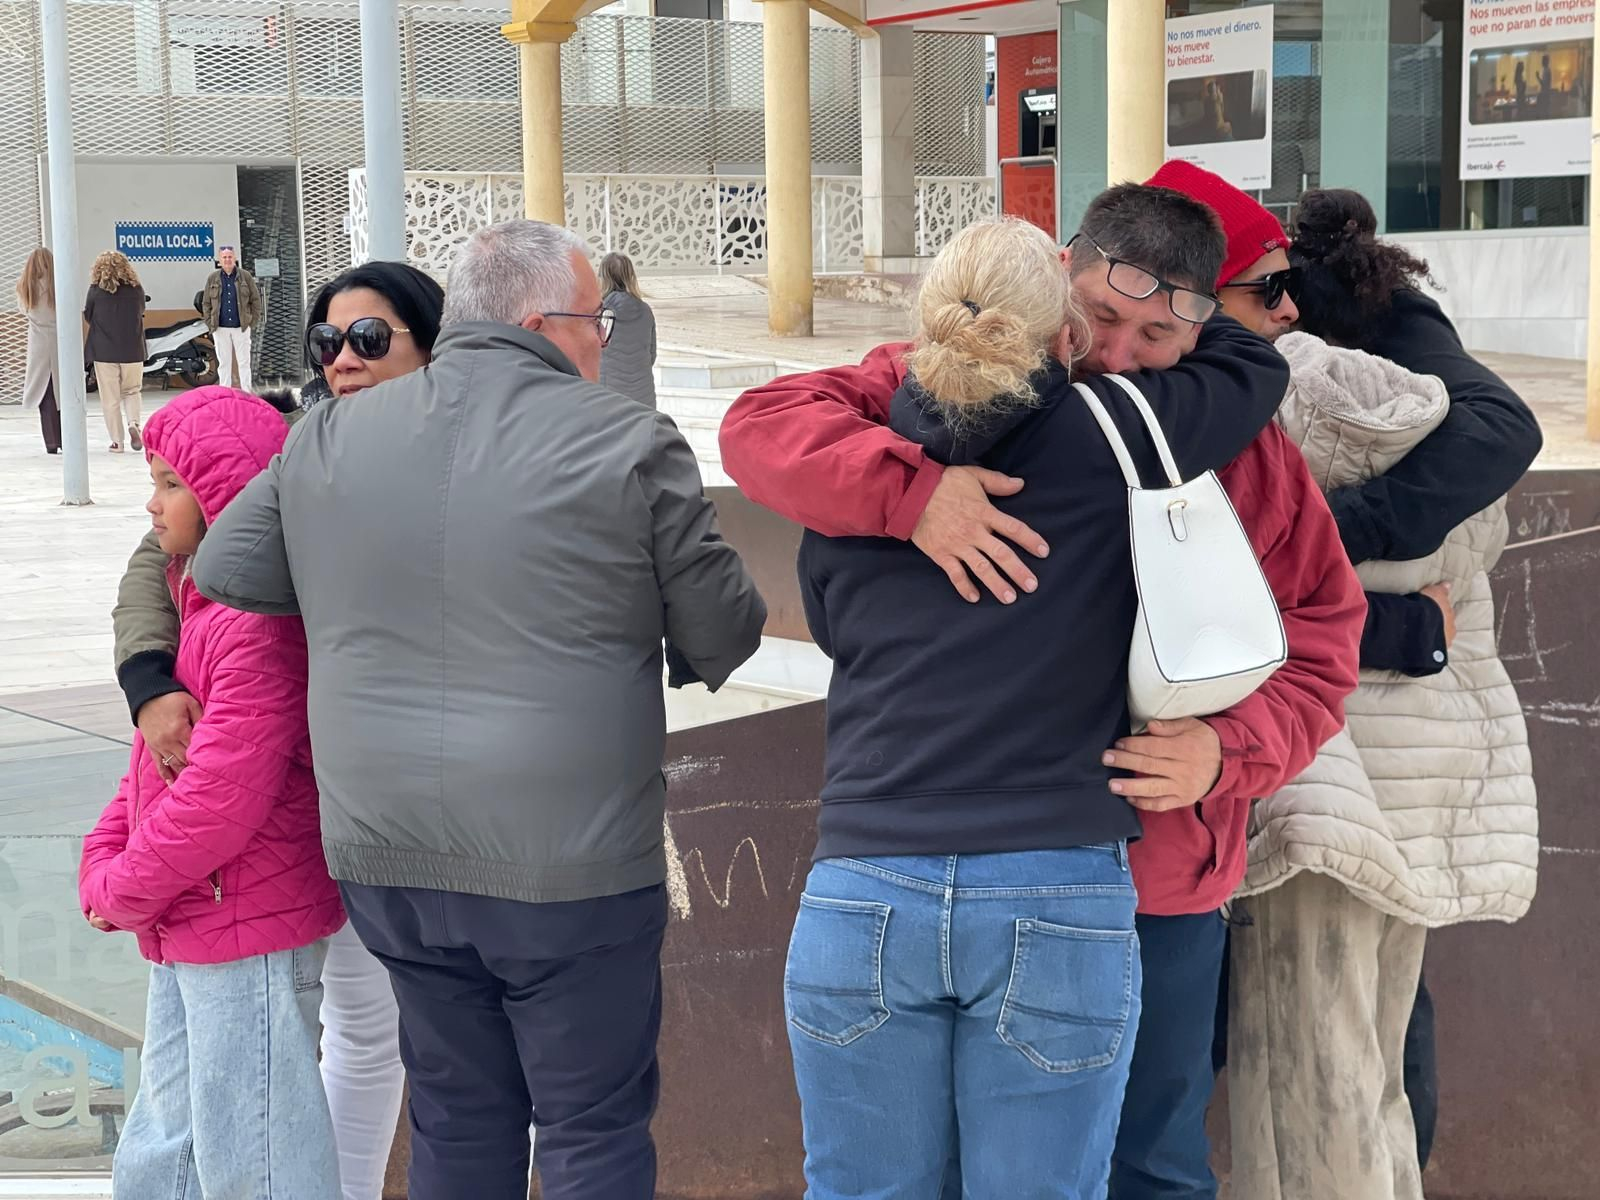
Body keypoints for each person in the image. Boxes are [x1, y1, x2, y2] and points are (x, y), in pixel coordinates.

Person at [720, 182, 1365, 1200]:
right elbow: (763, 425)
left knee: (1150, 1162)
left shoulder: (1241, 447)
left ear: (1200, 321)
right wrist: (913, 494)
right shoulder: (917, 394)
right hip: (1054, 875)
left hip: (1155, 869)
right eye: (1103, 319)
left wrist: (1223, 753)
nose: (1118, 352)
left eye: (1157, 332)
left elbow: (1324, 645)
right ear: (1058, 282)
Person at [191, 220, 768, 1200]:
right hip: (571, 865)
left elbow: (226, 566)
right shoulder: (627, 440)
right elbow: (724, 633)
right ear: (544, 322)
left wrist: (359, 596)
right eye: (598, 324)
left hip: (389, 856)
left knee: (458, 1115)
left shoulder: (329, 433)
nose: (604, 342)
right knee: (590, 1127)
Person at [1224, 188, 1541, 1200]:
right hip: (1339, 742)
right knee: (1342, 1054)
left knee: (1349, 1054)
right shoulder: (1223, 357)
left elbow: (1503, 427)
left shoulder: (1359, 325)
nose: (1276, 313)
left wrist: (1334, 527)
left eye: (1281, 291)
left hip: (1353, 761)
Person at [110, 260, 444, 1200]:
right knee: (285, 1048)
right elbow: (160, 561)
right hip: (288, 793)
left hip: (401, 790)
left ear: (428, 344)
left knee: (365, 1032)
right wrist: (148, 681)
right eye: (328, 341)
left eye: (370, 339)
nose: (344, 358)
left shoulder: (465, 456)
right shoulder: (291, 451)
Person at [78, 385, 343, 1200]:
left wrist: (123, 885)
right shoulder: (197, 600)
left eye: (168, 484)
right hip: (194, 916)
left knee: (257, 1156)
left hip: (244, 923)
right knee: (172, 1142)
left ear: (223, 493)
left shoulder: (258, 624)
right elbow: (155, 766)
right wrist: (105, 852)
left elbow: (220, 799)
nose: (150, 505)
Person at [84, 250, 147, 453]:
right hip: (132, 350)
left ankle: (117, 442)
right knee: (132, 390)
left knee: (110, 398)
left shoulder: (95, 291)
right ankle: (134, 423)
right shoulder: (136, 289)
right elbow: (141, 311)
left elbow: (88, 315)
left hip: (104, 351)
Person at [16, 247, 61, 454]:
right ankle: (65, 438)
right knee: (63, 394)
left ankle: (51, 442)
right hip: (60, 342)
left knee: (44, 395)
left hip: (38, 344)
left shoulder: (24, 286)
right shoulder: (58, 284)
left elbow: (22, 310)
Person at [599, 251, 657, 408]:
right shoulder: (645, 310)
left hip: (608, 395)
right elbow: (652, 355)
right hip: (644, 396)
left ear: (603, 277)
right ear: (630, 275)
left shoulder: (599, 313)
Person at [203, 245, 264, 391]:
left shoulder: (245, 276)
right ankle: (225, 392)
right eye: (224, 257)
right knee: (224, 363)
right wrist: (210, 323)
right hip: (220, 327)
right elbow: (206, 302)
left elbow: (255, 300)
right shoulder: (213, 278)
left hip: (240, 327)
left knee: (244, 362)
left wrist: (251, 321)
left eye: (230, 257)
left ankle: (247, 392)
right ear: (219, 260)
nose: (227, 260)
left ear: (235, 258)